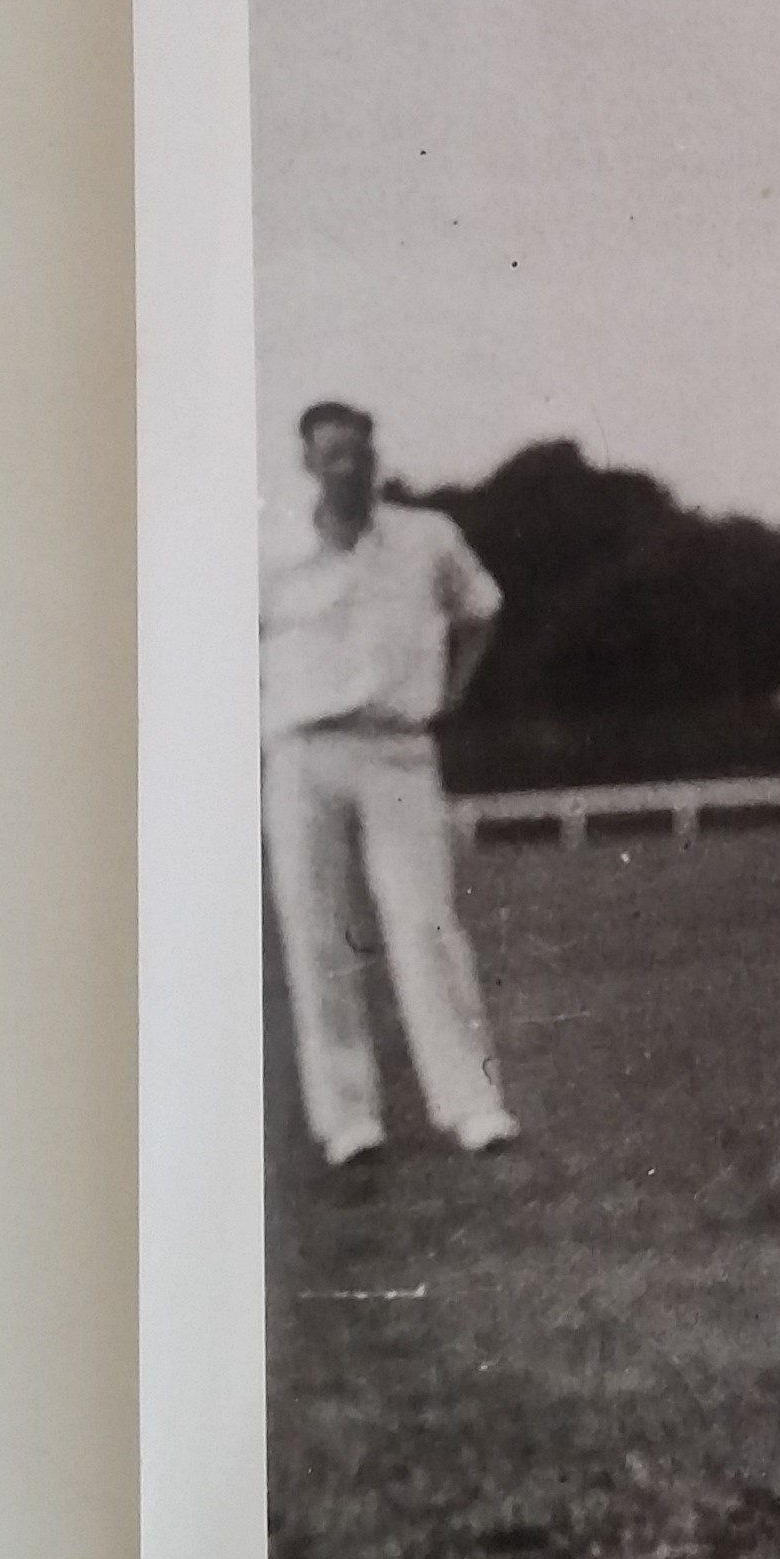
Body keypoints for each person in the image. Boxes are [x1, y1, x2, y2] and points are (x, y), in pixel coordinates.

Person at [258, 398, 520, 1166]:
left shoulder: (425, 537)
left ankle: (473, 1107)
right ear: (308, 463)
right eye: (332, 454)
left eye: (360, 452)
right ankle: (348, 1125)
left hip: (398, 750)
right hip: (302, 755)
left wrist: (455, 693)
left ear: (377, 458)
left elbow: (482, 611)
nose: (349, 467)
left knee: (425, 925)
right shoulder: (267, 550)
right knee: (316, 936)